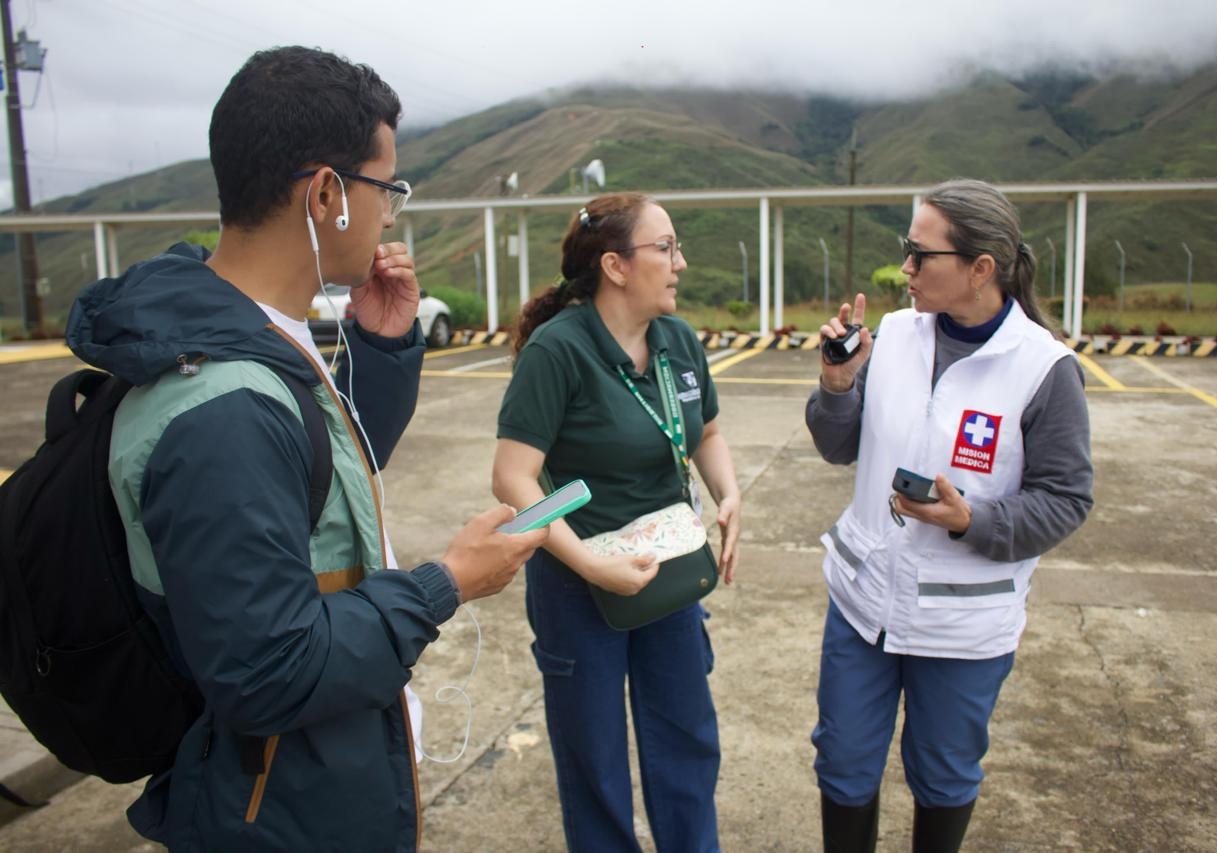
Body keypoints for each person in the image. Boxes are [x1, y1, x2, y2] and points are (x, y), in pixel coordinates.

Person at [65, 46, 546, 852]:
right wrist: (444, 584)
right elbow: (268, 670)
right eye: (386, 188)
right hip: (279, 816)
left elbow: (321, 483)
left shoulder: (245, 329)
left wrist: (383, 348)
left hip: (307, 785)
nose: (392, 212)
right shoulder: (219, 404)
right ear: (327, 193)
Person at [805, 179, 1094, 852]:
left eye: (919, 253)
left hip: (962, 624)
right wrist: (837, 383)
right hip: (862, 605)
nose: (904, 268)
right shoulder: (896, 336)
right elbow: (836, 443)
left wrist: (973, 520)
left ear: (980, 268)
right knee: (843, 760)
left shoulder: (1044, 369)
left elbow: (1068, 496)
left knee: (942, 773)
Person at [491, 192, 742, 852]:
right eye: (666, 247)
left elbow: (706, 430)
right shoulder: (558, 350)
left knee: (686, 739)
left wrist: (729, 492)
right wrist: (588, 562)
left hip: (668, 566)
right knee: (595, 760)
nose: (680, 262)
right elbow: (513, 479)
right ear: (616, 266)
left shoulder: (678, 341)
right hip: (580, 585)